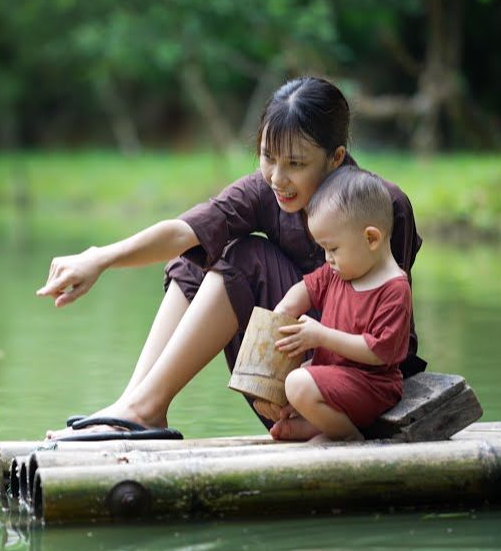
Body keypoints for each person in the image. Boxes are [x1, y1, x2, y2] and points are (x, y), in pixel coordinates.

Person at [39, 76, 423, 441]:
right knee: (192, 259)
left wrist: (302, 360)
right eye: (267, 157)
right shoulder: (265, 190)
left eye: (296, 164)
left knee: (244, 258)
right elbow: (181, 233)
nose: (277, 177)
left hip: (351, 385)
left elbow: (381, 323)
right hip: (287, 369)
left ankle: (140, 410)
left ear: (335, 158)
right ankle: (136, 406)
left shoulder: (381, 208)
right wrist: (100, 258)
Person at [261, 167, 413, 442]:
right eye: (323, 249)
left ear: (371, 238)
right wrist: (282, 312)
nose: (327, 258)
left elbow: (378, 353)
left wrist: (321, 336)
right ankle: (317, 425)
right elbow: (305, 290)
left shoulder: (394, 289)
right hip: (339, 376)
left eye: (332, 249)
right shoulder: (338, 272)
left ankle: (347, 437)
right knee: (290, 380)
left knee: (298, 383)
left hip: (372, 386)